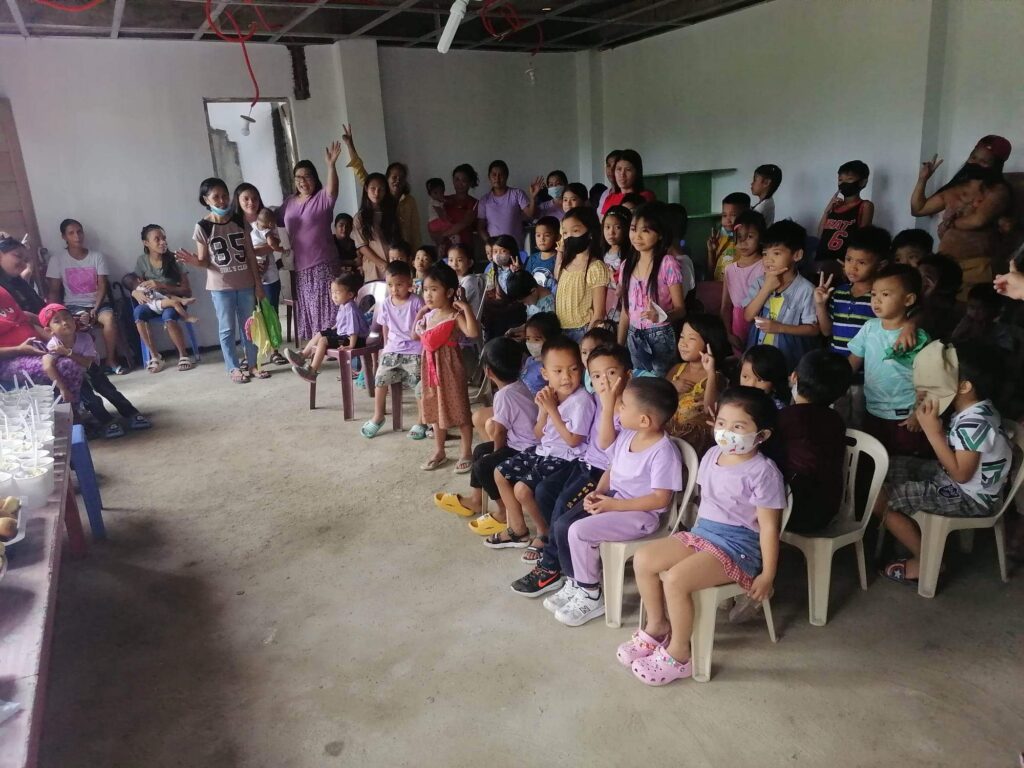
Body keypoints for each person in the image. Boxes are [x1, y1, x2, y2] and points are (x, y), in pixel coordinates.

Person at [621, 387, 786, 686]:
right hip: (703, 533)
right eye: (722, 423)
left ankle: (680, 652)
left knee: (675, 579)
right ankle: (658, 625)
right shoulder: (711, 455)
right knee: (643, 559)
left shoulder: (764, 472)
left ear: (761, 435)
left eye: (738, 427)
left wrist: (768, 575)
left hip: (739, 547)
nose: (726, 432)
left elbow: (770, 528)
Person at [553, 377, 684, 626]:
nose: (618, 408)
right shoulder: (628, 435)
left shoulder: (664, 452)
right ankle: (576, 582)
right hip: (616, 501)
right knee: (564, 522)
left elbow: (660, 499)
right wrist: (599, 491)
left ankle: (591, 594)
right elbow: (612, 469)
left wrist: (614, 505)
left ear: (644, 420)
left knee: (579, 531)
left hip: (641, 516)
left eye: (623, 405)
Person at [877, 342, 1011, 585]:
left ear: (964, 386)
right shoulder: (975, 408)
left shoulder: (974, 423)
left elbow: (961, 474)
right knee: (891, 465)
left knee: (880, 499)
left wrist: (933, 433)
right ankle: (903, 529)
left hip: (969, 497)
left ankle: (927, 562)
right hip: (959, 481)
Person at [511, 343, 630, 596]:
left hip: (601, 472)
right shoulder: (598, 399)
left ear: (626, 374)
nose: (604, 382)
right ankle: (559, 549)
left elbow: (607, 446)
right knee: (543, 491)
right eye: (596, 376)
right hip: (583, 463)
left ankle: (552, 568)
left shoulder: (626, 409)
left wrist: (608, 405)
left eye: (611, 374)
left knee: (564, 508)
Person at [487, 337, 594, 555]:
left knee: (523, 490)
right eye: (558, 371)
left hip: (566, 457)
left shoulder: (581, 400)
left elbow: (574, 440)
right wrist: (545, 410)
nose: (566, 377)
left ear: (582, 369)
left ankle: (543, 533)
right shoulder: (549, 395)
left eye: (573, 369)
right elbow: (538, 435)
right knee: (499, 472)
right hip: (543, 451)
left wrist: (552, 410)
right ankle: (517, 529)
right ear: (545, 374)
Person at [434, 337, 538, 522]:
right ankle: (476, 500)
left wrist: (496, 454)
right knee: (480, 450)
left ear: (488, 371)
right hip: (524, 443)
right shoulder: (519, 386)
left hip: (526, 449)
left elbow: (499, 432)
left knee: (485, 465)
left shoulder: (504, 395)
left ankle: (505, 511)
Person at [176, 177, 269, 384]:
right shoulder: (203, 227)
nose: (221, 200)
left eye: (224, 195)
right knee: (227, 329)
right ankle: (233, 368)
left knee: (249, 327)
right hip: (221, 288)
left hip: (245, 285)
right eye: (215, 197)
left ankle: (252, 364)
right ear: (205, 200)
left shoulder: (238, 220)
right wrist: (193, 261)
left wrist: (258, 284)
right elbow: (204, 262)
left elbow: (250, 255)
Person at [847, 263, 931, 457]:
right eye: (874, 294)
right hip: (872, 410)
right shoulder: (870, 327)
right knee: (873, 461)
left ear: (908, 299)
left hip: (905, 416)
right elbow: (852, 362)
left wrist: (918, 413)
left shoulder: (919, 337)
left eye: (885, 295)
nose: (876, 301)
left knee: (903, 465)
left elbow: (928, 381)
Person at [911, 136, 1013, 294]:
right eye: (973, 157)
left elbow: (977, 220)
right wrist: (922, 179)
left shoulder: (999, 191)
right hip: (944, 267)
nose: (976, 163)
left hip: (977, 267)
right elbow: (919, 209)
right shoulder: (955, 189)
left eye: (984, 161)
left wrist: (950, 223)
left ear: (996, 166)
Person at [774, 350, 852, 533]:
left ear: (794, 377)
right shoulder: (836, 420)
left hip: (793, 512)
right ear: (841, 392)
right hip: (827, 511)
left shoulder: (784, 418)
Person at [415, 262, 480, 472]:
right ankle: (439, 450)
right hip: (430, 369)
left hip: (450, 368)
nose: (428, 295)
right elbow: (415, 335)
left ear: (450, 291)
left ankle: (466, 452)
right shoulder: (429, 315)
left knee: (459, 408)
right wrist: (419, 317)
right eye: (425, 290)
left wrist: (467, 309)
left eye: (434, 290)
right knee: (434, 407)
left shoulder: (454, 315)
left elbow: (472, 333)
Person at [277, 143, 343, 340]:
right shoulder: (289, 202)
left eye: (307, 176)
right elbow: (273, 220)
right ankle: (317, 347)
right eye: (298, 177)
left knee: (328, 305)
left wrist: (331, 165)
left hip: (323, 262)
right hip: (301, 266)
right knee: (311, 308)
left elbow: (332, 189)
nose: (302, 181)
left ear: (315, 178)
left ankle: (331, 343)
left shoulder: (323, 198)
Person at [45, 219, 125, 374]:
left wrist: (95, 308)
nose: (77, 236)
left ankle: (110, 361)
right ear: (64, 237)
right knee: (78, 323)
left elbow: (102, 285)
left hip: (99, 303)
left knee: (109, 319)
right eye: (71, 233)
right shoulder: (57, 260)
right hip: (73, 306)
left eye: (79, 231)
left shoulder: (97, 257)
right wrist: (52, 313)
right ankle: (85, 364)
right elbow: (54, 290)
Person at [616, 202, 685, 375]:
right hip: (633, 334)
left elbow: (681, 309)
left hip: (660, 334)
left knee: (661, 386)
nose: (637, 236)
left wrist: (661, 315)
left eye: (645, 231)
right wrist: (619, 347)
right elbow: (626, 311)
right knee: (640, 384)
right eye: (633, 229)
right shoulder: (626, 265)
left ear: (660, 234)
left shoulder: (667, 263)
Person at [743, 220, 819, 369]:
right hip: (759, 360)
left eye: (776, 253)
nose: (768, 259)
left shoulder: (806, 289)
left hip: (789, 361)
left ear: (797, 255)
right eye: (765, 253)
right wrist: (766, 288)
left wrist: (780, 328)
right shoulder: (759, 283)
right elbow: (747, 316)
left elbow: (813, 329)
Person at [342, 124, 420, 249]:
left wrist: (416, 254)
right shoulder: (378, 193)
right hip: (381, 253)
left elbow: (415, 231)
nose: (397, 181)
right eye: (394, 177)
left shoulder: (409, 201)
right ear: (387, 178)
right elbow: (359, 169)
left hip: (404, 253)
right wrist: (350, 145)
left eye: (401, 178)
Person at [0, 285, 82, 400]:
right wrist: (19, 349)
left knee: (77, 354)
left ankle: (72, 409)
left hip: (36, 346)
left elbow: (23, 317)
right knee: (67, 366)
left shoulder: (3, 291)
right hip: (9, 360)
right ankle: (72, 408)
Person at [666, 315, 730, 454]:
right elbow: (659, 398)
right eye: (682, 337)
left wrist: (711, 373)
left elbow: (709, 410)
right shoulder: (677, 369)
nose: (683, 343)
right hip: (669, 438)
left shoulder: (717, 378)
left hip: (695, 444)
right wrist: (672, 386)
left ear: (709, 343)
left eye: (692, 338)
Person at [285, 273, 366, 383]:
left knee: (323, 341)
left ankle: (312, 372)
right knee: (321, 333)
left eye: (337, 292)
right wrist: (332, 330)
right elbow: (341, 323)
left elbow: (353, 329)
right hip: (344, 335)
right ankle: (302, 356)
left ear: (350, 294)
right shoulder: (344, 305)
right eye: (332, 292)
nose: (334, 296)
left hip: (354, 340)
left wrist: (351, 345)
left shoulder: (350, 308)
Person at [554, 206, 610, 341]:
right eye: (565, 233)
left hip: (583, 330)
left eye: (575, 231)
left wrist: (588, 339)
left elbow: (599, 312)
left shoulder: (595, 267)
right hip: (561, 329)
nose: (569, 237)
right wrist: (560, 252)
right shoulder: (566, 263)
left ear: (590, 233)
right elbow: (557, 275)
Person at [721, 210, 766, 351]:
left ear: (761, 237)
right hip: (738, 326)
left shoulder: (766, 265)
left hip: (761, 323)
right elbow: (726, 306)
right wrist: (728, 334)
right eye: (739, 236)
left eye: (750, 236)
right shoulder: (729, 269)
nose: (743, 242)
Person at [817, 160, 874, 271]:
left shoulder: (865, 205)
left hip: (844, 264)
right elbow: (820, 234)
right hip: (822, 260)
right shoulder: (834, 206)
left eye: (849, 179)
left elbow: (863, 238)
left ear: (862, 182)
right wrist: (826, 212)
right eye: (840, 180)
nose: (843, 183)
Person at [476, 160, 541, 249]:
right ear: (489, 177)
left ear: (506, 176)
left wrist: (532, 197)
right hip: (495, 250)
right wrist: (490, 243)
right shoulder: (484, 200)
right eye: (494, 175)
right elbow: (480, 228)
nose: (497, 178)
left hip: (515, 248)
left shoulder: (517, 194)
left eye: (501, 175)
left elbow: (530, 214)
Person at [353, 172, 400, 283]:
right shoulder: (360, 217)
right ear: (366, 189)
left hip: (394, 265)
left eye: (381, 189)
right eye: (373, 188)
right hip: (374, 269)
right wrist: (383, 265)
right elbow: (362, 246)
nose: (376, 193)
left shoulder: (391, 213)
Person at [915, 252, 964, 341]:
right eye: (917, 277)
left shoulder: (961, 316)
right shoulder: (910, 309)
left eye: (927, 279)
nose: (919, 282)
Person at [707, 192, 751, 281]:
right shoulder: (722, 240)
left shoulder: (748, 245)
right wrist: (711, 252)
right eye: (724, 215)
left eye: (733, 215)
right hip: (717, 290)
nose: (728, 220)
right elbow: (711, 273)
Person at [602, 205, 632, 326]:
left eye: (617, 227)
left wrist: (612, 276)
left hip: (620, 303)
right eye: (607, 227)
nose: (611, 232)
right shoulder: (603, 253)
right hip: (604, 299)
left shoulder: (629, 256)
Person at [600, 149, 655, 215]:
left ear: (637, 172)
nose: (622, 174)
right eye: (619, 169)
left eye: (628, 170)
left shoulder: (645, 196)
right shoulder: (610, 198)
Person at [519, 312, 560, 396]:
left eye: (536, 340)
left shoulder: (552, 366)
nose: (531, 343)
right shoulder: (529, 360)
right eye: (528, 339)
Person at [739, 344, 790, 410]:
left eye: (760, 380)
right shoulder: (736, 401)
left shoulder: (777, 410)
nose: (751, 385)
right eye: (745, 377)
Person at [442, 163, 479, 249]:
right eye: (457, 179)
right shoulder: (444, 200)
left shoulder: (474, 203)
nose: (459, 183)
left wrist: (442, 236)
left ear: (470, 182)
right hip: (445, 247)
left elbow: (464, 223)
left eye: (464, 180)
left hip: (464, 247)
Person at [447, 244, 485, 320]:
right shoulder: (455, 279)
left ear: (470, 263)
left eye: (459, 260)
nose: (454, 264)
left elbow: (456, 306)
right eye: (451, 260)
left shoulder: (469, 281)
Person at [524, 216, 559, 289]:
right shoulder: (532, 259)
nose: (541, 239)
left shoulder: (559, 259)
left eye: (547, 235)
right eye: (538, 235)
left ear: (557, 237)